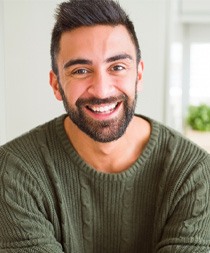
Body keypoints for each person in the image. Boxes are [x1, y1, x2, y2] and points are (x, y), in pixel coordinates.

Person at [0, 0, 210, 252]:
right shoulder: (15, 171)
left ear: (139, 75)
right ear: (56, 84)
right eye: (80, 70)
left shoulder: (193, 173)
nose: (102, 89)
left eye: (117, 67)